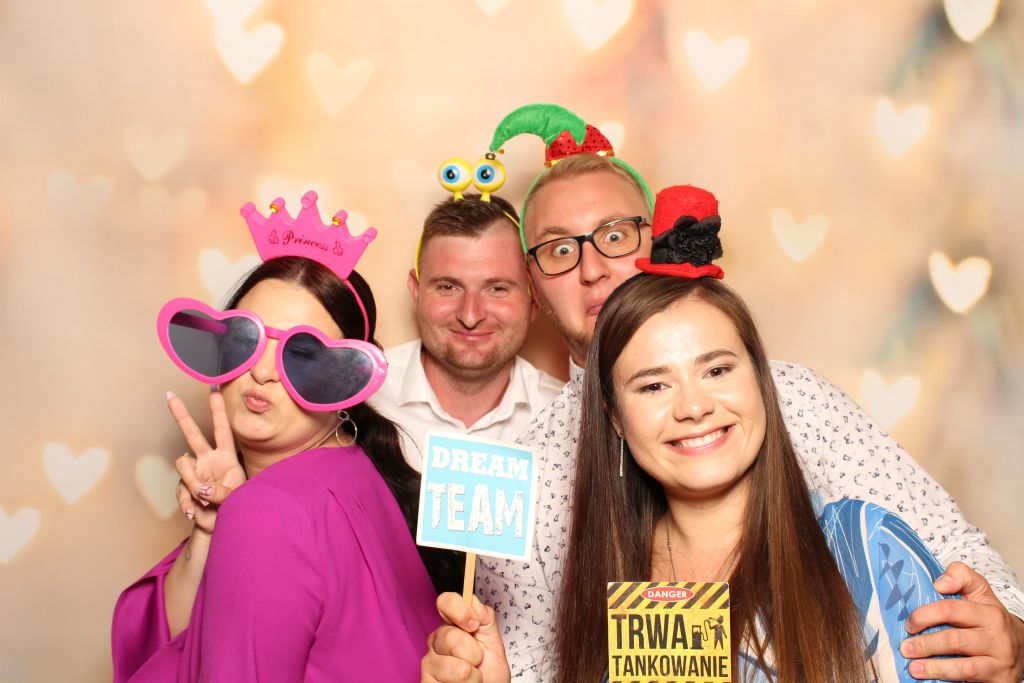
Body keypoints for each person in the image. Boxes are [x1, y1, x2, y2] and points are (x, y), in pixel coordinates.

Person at [423, 104, 1024, 682]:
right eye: (559, 249)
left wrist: (1012, 633)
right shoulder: (525, 473)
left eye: (615, 235)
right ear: (532, 284)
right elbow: (536, 665)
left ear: (659, 237)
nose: (593, 268)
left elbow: (950, 551)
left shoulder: (792, 398)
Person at [112, 193, 458, 681]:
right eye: (246, 338)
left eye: (304, 355)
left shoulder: (271, 509)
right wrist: (213, 529)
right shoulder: (361, 469)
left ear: (348, 380)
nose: (262, 372)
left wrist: (250, 513)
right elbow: (189, 640)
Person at [371, 194, 562, 470]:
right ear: (416, 290)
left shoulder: (567, 418)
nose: (470, 316)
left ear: (535, 300)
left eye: (497, 289)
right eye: (448, 287)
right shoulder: (361, 398)